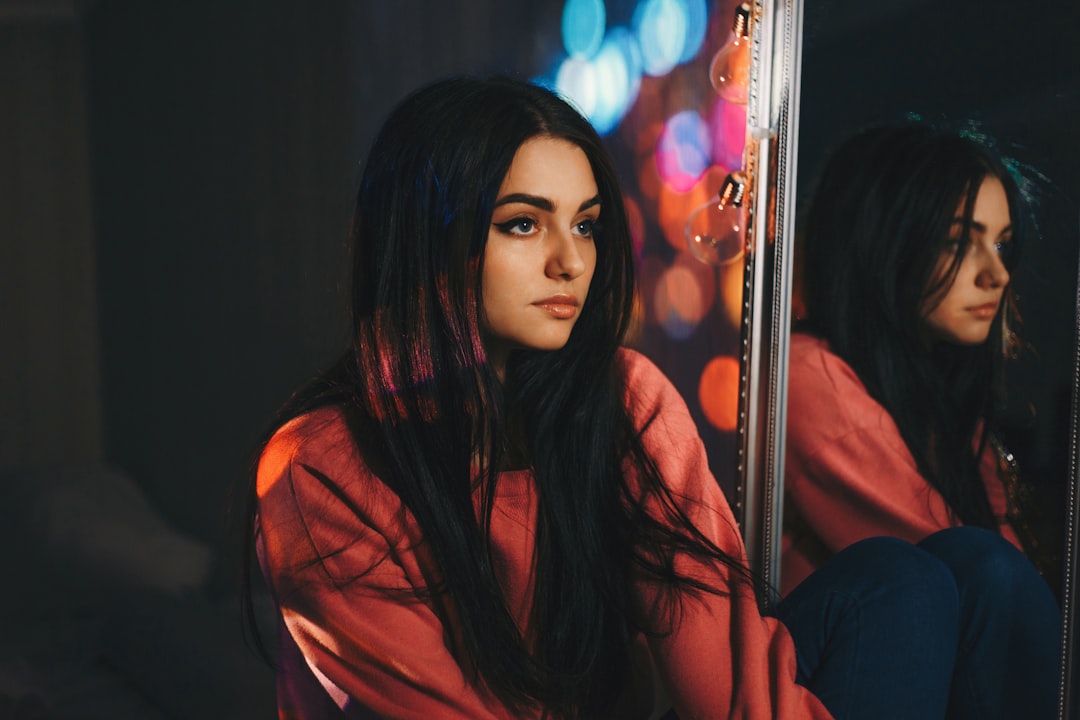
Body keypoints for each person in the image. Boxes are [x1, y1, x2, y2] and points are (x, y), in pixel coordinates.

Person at [247, 78, 1059, 720]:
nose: (572, 260)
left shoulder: (624, 398)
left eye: (589, 225)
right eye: (524, 225)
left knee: (900, 580)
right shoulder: (322, 463)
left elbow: (730, 677)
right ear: (431, 237)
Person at [782, 122, 1050, 593]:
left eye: (1002, 244)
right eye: (959, 241)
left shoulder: (947, 411)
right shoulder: (806, 373)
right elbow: (981, 579)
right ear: (883, 241)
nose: (998, 274)